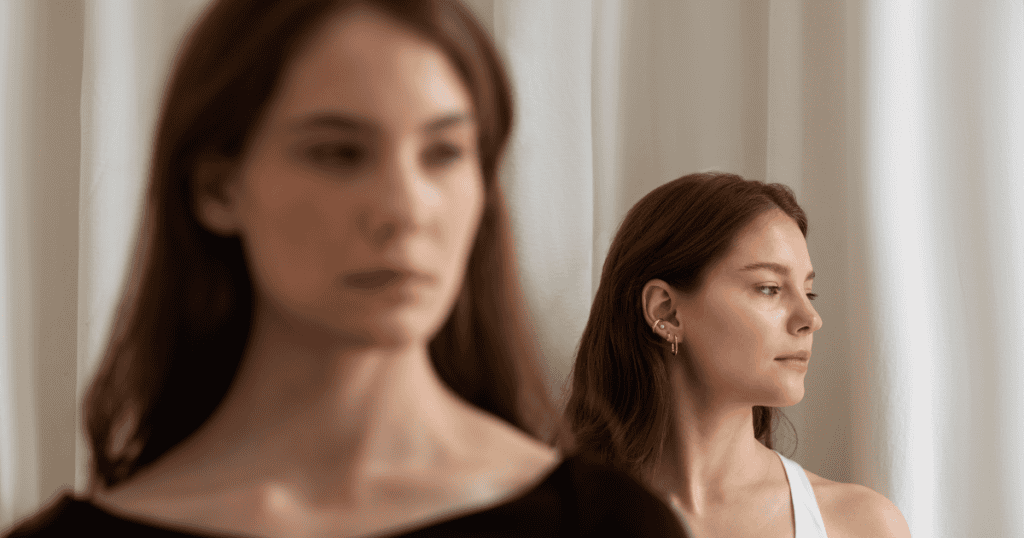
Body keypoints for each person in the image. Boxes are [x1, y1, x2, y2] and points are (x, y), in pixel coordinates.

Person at [2, 1, 689, 537]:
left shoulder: (612, 527)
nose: (405, 210)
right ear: (218, 189)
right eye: (338, 153)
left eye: (445, 153)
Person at [564, 172, 911, 538]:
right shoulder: (559, 516)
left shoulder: (862, 525)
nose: (811, 319)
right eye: (769, 288)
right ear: (665, 311)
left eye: (809, 293)